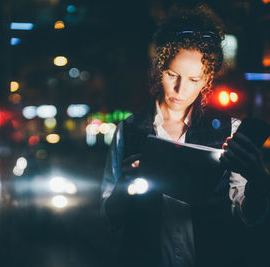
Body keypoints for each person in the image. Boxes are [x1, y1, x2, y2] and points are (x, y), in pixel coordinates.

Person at [101, 4, 270, 267]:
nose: (180, 89)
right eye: (172, 75)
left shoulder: (231, 130)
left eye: (194, 79)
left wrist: (259, 180)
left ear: (207, 80)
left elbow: (246, 217)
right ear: (159, 69)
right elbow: (111, 219)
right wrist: (124, 185)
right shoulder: (129, 130)